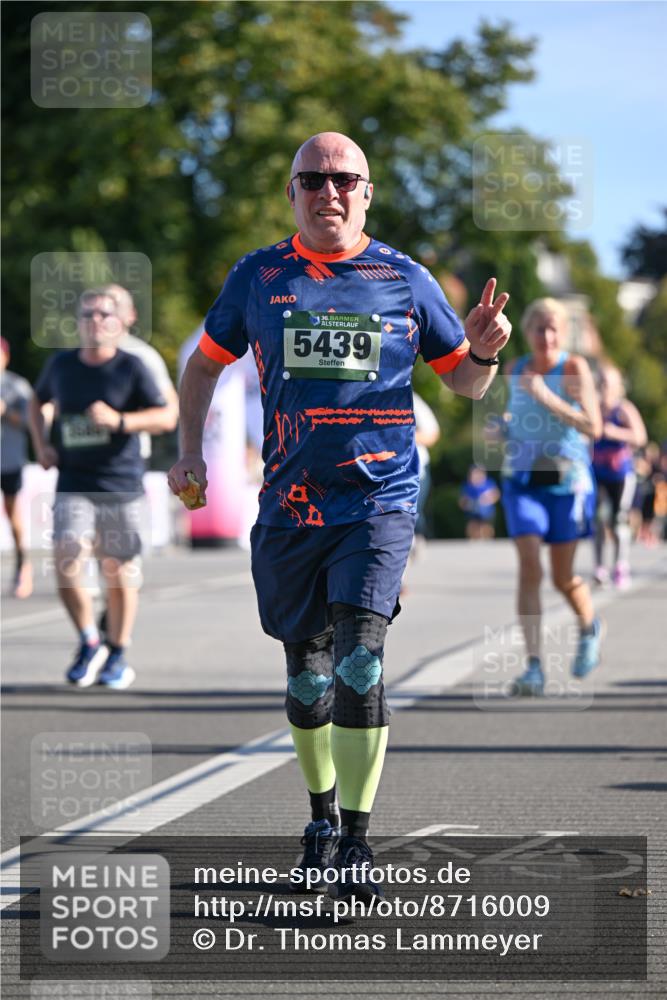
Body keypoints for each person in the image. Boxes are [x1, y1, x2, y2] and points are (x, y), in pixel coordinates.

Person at [168, 132, 511, 901]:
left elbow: (464, 385)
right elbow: (202, 363)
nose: (329, 192)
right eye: (312, 179)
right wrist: (187, 450)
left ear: (367, 191)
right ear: (291, 192)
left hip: (379, 500)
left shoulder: (403, 277)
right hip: (290, 507)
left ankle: (357, 838)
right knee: (306, 678)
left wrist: (483, 353)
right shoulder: (258, 276)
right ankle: (319, 819)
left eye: (344, 179)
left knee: (360, 658)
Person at [29, 289, 174, 689]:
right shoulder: (60, 365)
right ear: (78, 321)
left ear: (119, 322)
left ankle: (117, 651)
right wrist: (41, 444)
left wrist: (120, 421)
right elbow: (35, 401)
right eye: (87, 314)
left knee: (120, 571)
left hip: (121, 484)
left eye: (104, 314)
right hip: (74, 481)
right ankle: (89, 639)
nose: (95, 321)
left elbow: (166, 416)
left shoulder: (133, 366)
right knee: (66, 558)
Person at [500, 298, 602, 696]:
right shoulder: (515, 369)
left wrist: (548, 398)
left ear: (563, 332)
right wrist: (502, 428)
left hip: (566, 483)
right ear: (527, 332)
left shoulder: (573, 368)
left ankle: (589, 626)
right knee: (530, 567)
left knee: (563, 577)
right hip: (523, 481)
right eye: (539, 328)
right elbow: (516, 421)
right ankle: (534, 668)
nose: (547, 336)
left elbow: (592, 426)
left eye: (554, 328)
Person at [592, 362, 647, 588]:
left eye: (607, 382)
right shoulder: (593, 407)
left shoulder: (623, 409)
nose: (603, 385)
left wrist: (614, 432)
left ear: (617, 386)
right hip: (597, 471)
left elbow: (640, 437)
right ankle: (599, 568)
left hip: (620, 474)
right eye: (600, 381)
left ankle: (620, 566)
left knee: (618, 520)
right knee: (596, 520)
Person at [1, 337, 33, 598]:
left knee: (13, 517)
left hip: (9, 460)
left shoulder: (16, 386)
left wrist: (5, 412)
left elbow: (32, 422)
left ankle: (23, 565)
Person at [412, 391, 440, 543]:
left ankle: (417, 539)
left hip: (415, 469)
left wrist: (400, 436)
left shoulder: (413, 399)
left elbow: (432, 433)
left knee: (412, 509)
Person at [459, 464, 500, 540]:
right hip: (472, 509)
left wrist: (488, 499)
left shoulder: (488, 483)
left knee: (486, 526)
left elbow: (496, 494)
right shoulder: (467, 486)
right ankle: (474, 538)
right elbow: (462, 500)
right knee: (472, 525)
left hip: (486, 510)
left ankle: (487, 538)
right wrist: (464, 505)